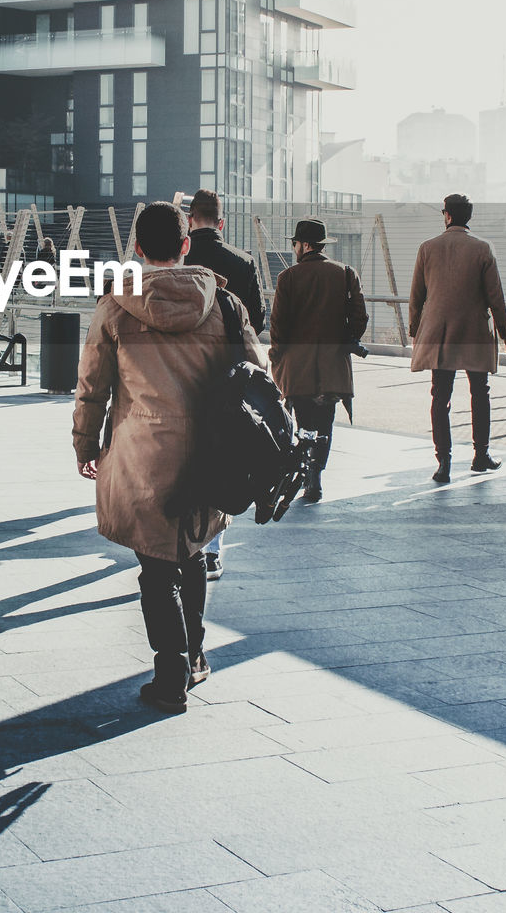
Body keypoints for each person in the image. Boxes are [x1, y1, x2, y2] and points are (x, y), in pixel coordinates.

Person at [73, 201, 265, 714]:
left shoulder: (115, 306)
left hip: (143, 454)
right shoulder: (224, 304)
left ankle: (170, 671)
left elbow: (92, 387)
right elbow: (256, 376)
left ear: (137, 248)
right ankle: (197, 654)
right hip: (210, 453)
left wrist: (85, 444)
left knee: (156, 569)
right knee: (195, 551)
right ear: (185, 245)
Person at [183, 188, 266, 580]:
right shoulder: (244, 263)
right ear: (221, 222)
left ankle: (175, 539)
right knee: (217, 458)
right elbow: (257, 324)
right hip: (225, 377)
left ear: (188, 221)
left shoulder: (176, 259)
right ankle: (211, 550)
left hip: (178, 373)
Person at [409, 193, 506, 484]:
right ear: (468, 217)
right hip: (475, 333)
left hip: (438, 333)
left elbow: (417, 296)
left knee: (440, 397)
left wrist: (414, 330)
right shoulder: (483, 248)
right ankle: (480, 456)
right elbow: (496, 297)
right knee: (480, 394)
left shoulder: (427, 248)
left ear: (446, 215)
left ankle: (443, 463)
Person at [268, 217, 368, 503]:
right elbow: (360, 317)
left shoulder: (287, 278)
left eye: (295, 243)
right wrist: (346, 338)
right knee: (325, 423)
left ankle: (305, 474)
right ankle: (317, 478)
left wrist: (277, 358)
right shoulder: (347, 273)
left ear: (305, 245)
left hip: (298, 369)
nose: (294, 248)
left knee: (304, 424)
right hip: (333, 367)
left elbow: (278, 327)